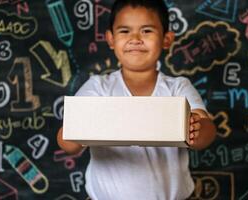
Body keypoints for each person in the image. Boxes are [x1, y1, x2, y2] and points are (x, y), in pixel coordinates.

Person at [57, 0, 216, 199]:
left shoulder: (178, 88)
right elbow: (69, 144)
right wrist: (71, 134)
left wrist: (197, 129)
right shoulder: (98, 88)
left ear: (167, 39)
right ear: (111, 39)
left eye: (147, 31)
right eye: (124, 31)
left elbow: (206, 129)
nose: (135, 39)